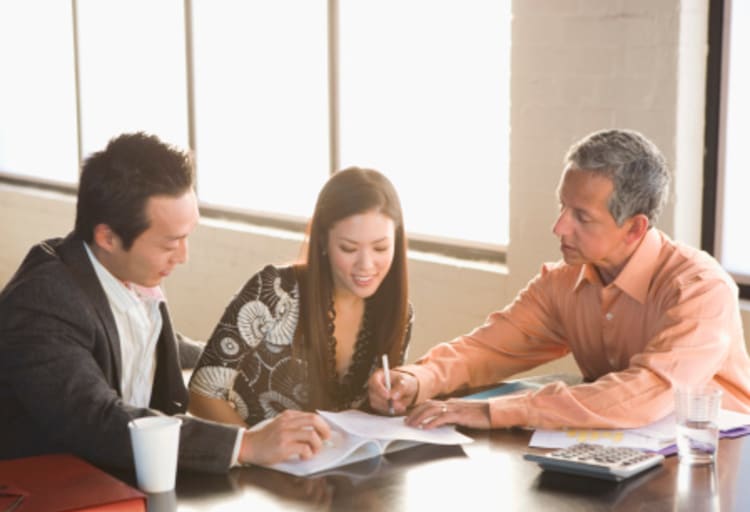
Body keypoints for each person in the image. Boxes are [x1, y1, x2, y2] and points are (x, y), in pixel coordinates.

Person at [369, 128, 750, 430]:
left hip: (721, 467)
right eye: (562, 207)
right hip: (626, 457)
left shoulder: (700, 289)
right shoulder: (564, 284)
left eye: (582, 217)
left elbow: (646, 393)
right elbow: (489, 348)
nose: (559, 228)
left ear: (634, 228)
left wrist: (493, 411)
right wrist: (419, 378)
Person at [0, 132, 330, 473]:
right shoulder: (42, 303)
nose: (183, 257)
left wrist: (264, 365)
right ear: (108, 237)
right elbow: (98, 421)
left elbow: (164, 346)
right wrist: (246, 445)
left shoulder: (122, 274)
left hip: (124, 483)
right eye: (171, 243)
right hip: (50, 498)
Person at [188, 166, 412, 427]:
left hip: (338, 463)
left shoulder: (398, 314)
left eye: (381, 248)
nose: (366, 264)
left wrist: (392, 404)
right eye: (349, 248)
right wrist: (255, 447)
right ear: (323, 241)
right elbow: (201, 392)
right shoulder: (274, 291)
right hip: (253, 464)